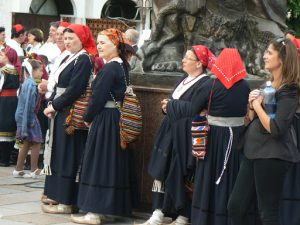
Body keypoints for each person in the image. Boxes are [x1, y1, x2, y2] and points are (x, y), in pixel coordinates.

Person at [136, 45, 215, 225]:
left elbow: (193, 108)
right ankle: (157, 211)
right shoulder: (183, 79)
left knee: (182, 172)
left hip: (185, 135)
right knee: (161, 168)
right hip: (169, 130)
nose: (183, 60)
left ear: (199, 63)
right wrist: (168, 106)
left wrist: (170, 105)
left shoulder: (206, 83)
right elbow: (176, 103)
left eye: (187, 58)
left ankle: (183, 214)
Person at [228, 37, 300, 225]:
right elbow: (251, 120)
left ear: (282, 59)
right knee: (235, 206)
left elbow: (277, 129)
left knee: (267, 213)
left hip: (272, 155)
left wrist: (257, 106)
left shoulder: (290, 91)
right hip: (253, 151)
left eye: (269, 52)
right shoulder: (266, 85)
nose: (264, 56)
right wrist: (251, 107)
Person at [70, 28, 134, 225]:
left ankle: (94, 213)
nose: (99, 46)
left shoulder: (109, 69)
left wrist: (87, 117)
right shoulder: (122, 66)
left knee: (99, 163)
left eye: (103, 43)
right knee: (110, 164)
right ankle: (106, 209)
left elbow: (97, 99)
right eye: (98, 42)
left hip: (105, 119)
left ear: (115, 45)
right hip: (115, 118)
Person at [41, 23, 96, 214]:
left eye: (72, 38)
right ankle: (58, 195)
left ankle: (67, 200)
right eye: (65, 38)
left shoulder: (84, 59)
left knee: (68, 156)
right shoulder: (72, 57)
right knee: (60, 153)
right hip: (62, 109)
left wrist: (54, 105)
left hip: (70, 112)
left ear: (82, 39)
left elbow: (76, 88)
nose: (67, 41)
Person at [13, 59, 44, 178]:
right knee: (37, 141)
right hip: (28, 116)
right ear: (33, 70)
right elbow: (28, 105)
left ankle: (18, 169)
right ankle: (34, 169)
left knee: (27, 142)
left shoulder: (27, 82)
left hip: (22, 115)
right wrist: (28, 122)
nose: (41, 73)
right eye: (40, 71)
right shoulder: (31, 84)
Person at [0, 46, 21, 167]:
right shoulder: (17, 71)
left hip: (3, 101)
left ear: (8, 58)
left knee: (2, 127)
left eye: (2, 55)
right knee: (9, 128)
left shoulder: (3, 71)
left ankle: (2, 159)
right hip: (13, 101)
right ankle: (6, 159)